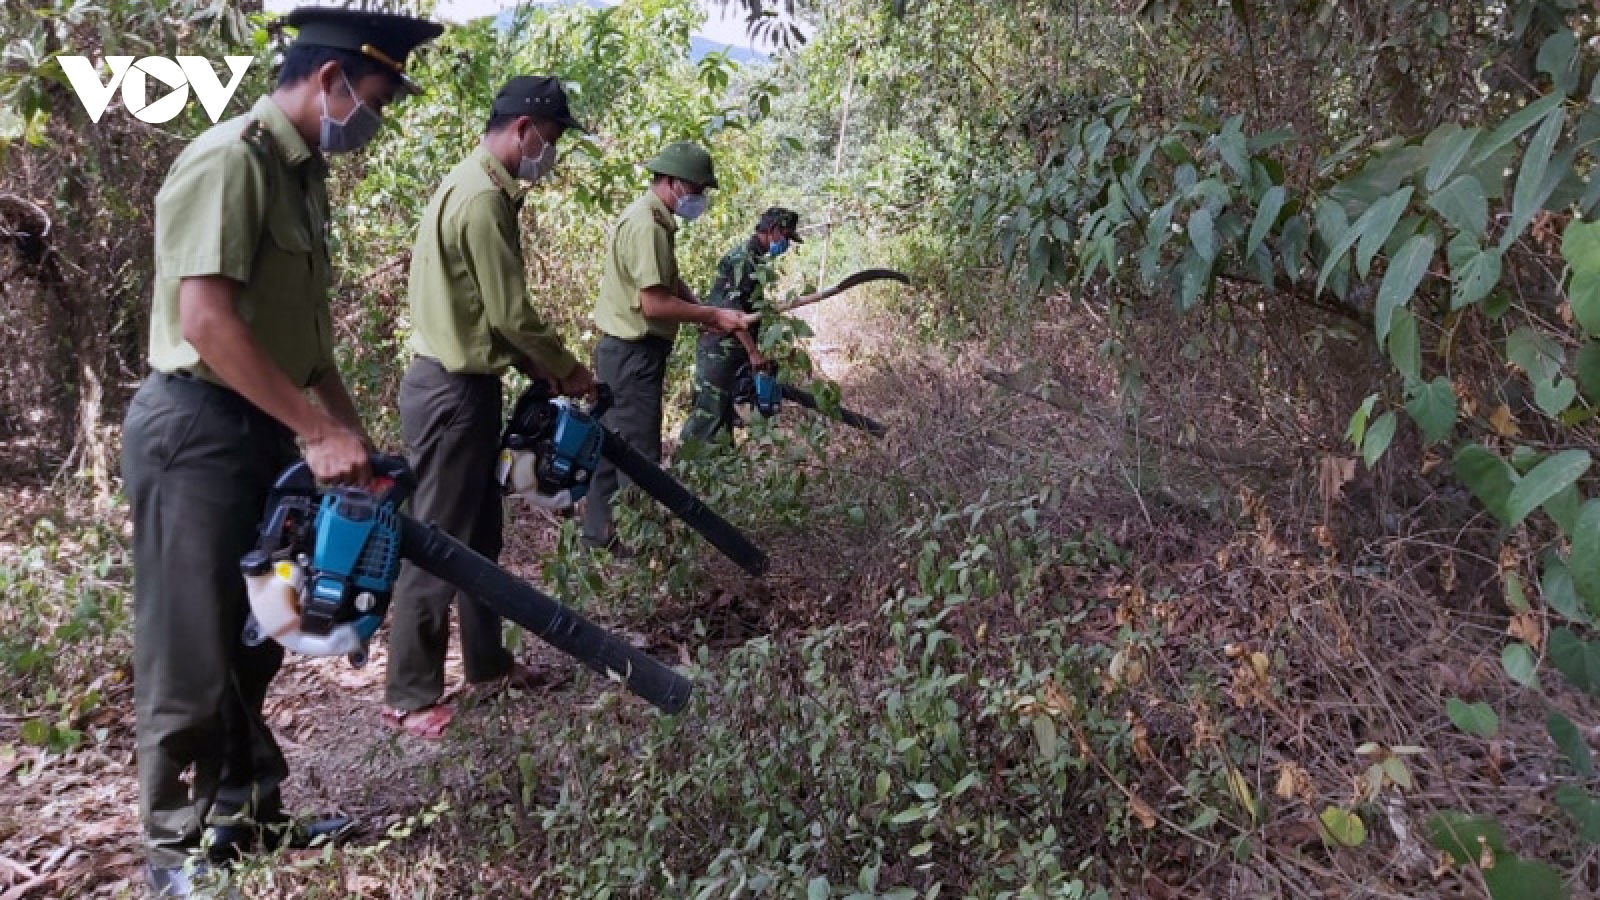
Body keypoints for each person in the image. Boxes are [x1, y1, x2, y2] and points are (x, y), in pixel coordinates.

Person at [119, 7, 441, 895]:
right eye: (373, 97)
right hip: (197, 428)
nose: (373, 118)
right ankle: (172, 852)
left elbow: (310, 346)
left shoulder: (304, 178)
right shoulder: (232, 161)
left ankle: (248, 816)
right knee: (190, 649)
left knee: (260, 632)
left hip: (262, 426)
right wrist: (312, 429)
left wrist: (354, 438)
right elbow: (207, 323)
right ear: (331, 80)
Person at [382, 76, 595, 739]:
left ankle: (488, 664)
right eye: (551, 140)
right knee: (437, 538)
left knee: (479, 539)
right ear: (525, 128)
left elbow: (491, 316)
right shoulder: (482, 199)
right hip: (450, 389)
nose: (550, 153)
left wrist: (536, 367)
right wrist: (565, 367)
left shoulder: (474, 184)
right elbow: (510, 313)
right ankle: (411, 691)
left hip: (463, 386)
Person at [579, 141, 758, 553]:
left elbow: (668, 284)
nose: (700, 199)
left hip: (621, 353)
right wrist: (713, 317)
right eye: (697, 189)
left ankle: (598, 540)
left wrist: (703, 312)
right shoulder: (646, 225)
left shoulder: (655, 220)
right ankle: (640, 552)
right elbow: (654, 303)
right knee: (639, 457)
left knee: (611, 449)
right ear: (673, 183)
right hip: (632, 355)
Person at [679, 206, 803, 445]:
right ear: (774, 230)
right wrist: (753, 353)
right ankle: (684, 470)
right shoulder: (743, 259)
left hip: (732, 352)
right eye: (786, 236)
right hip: (719, 350)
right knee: (708, 416)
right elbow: (734, 314)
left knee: (725, 416)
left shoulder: (755, 259)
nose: (787, 243)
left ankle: (717, 472)